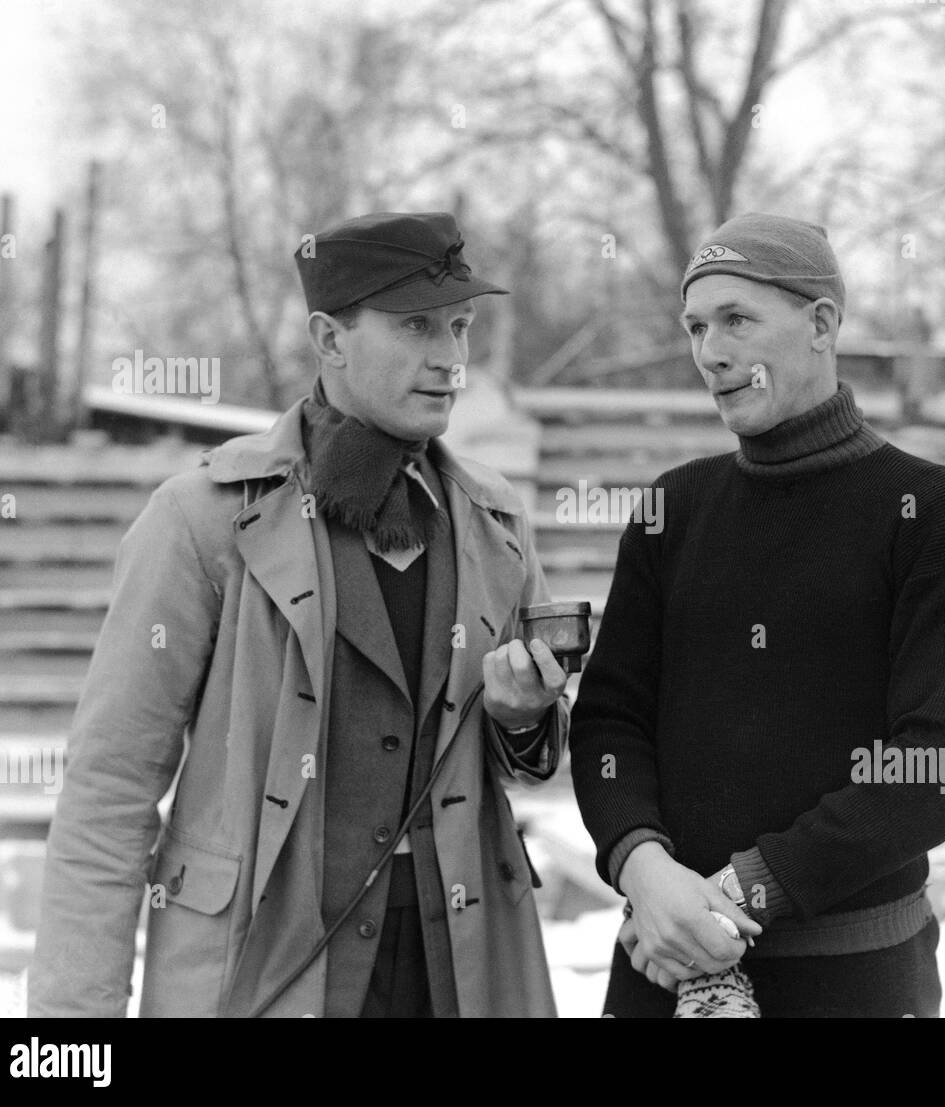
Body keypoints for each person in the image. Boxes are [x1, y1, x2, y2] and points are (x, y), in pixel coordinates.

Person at [29, 211, 569, 1018]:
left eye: (459, 327)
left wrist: (524, 719)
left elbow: (523, 762)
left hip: (459, 976)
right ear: (329, 337)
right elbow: (109, 790)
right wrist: (76, 1028)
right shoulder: (201, 520)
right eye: (417, 325)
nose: (451, 358)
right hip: (260, 976)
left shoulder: (496, 520)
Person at [569, 212, 945, 1018]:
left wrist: (750, 888)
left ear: (822, 323)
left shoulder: (935, 515)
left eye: (737, 319)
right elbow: (608, 722)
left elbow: (939, 764)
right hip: (664, 968)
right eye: (697, 327)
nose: (712, 351)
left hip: (853, 976)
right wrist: (642, 867)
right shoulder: (675, 507)